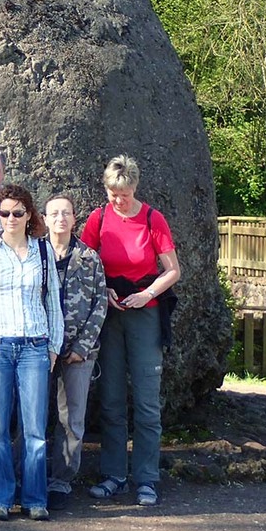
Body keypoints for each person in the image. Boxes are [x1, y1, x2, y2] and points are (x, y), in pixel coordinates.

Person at [80, 155, 180, 508]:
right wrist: (102, 287)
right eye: (111, 193)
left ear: (135, 187)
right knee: (110, 398)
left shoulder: (153, 219)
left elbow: (172, 270)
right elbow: (84, 262)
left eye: (122, 193)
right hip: (109, 314)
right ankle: (113, 475)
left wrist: (148, 294)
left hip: (145, 313)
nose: (117, 200)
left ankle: (147, 478)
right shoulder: (99, 217)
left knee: (147, 401)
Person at [0, 184, 63, 522]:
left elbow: (53, 303)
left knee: (34, 430)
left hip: (35, 345)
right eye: (3, 212)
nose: (9, 218)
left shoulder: (43, 251)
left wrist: (53, 347)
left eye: (17, 213)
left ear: (29, 215)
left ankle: (36, 499)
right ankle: (1, 499)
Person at [43, 193, 107, 510]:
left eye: (66, 213)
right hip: (39, 350)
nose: (60, 219)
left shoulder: (90, 258)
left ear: (74, 219)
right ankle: (26, 476)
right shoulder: (33, 254)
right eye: (54, 213)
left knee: (72, 420)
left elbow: (100, 304)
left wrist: (82, 347)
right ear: (43, 218)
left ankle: (61, 480)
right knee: (32, 417)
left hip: (79, 353)